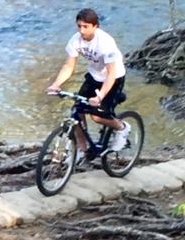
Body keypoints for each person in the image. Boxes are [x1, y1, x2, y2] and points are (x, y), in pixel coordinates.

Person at [47, 8, 130, 158]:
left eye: (86, 26)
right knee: (76, 112)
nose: (82, 30)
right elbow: (69, 66)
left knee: (97, 116)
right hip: (94, 77)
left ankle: (122, 128)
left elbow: (111, 74)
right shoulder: (75, 40)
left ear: (95, 26)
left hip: (114, 78)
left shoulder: (106, 43)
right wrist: (56, 84)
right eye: (79, 26)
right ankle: (83, 150)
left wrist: (100, 97)